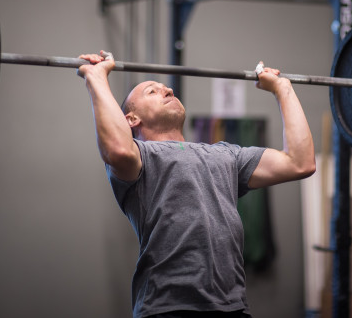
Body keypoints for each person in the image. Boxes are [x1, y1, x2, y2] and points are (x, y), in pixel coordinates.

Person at [77, 51, 315, 318]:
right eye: (152, 91)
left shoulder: (226, 154)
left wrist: (283, 89)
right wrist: (97, 78)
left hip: (232, 307)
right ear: (131, 120)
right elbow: (118, 150)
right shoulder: (140, 157)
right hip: (168, 307)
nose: (166, 89)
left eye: (165, 87)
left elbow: (300, 162)